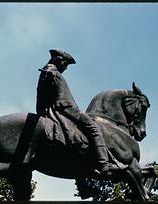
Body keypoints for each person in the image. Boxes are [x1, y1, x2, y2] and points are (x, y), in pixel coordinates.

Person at [36, 49, 119, 178]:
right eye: (66, 64)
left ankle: (82, 181)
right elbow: (45, 92)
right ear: (59, 60)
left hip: (63, 108)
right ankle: (104, 165)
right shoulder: (51, 70)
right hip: (65, 109)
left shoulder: (50, 70)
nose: (66, 68)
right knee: (94, 128)